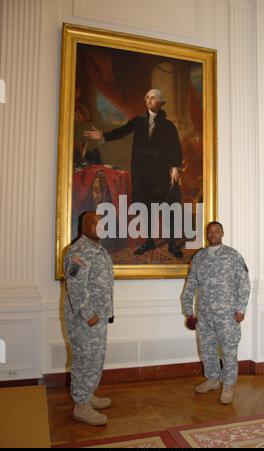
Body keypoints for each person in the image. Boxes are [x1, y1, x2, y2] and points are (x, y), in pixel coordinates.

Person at [83, 88, 183, 258]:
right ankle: (149, 241)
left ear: (161, 102)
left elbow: (176, 148)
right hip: (143, 175)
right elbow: (121, 132)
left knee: (168, 208)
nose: (149, 100)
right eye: (147, 98)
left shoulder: (168, 126)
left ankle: (172, 243)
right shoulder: (138, 121)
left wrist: (175, 167)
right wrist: (102, 136)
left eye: (153, 98)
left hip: (162, 174)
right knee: (146, 209)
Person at [181, 221, 250, 405]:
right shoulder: (199, 257)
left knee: (228, 350)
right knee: (207, 349)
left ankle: (228, 385)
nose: (213, 234)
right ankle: (212, 379)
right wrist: (188, 311)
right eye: (210, 231)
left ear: (222, 233)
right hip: (204, 315)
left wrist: (241, 309)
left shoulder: (232, 256)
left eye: (216, 231)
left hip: (227, 315)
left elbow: (244, 283)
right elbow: (190, 285)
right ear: (206, 234)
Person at [64, 211, 114, 425]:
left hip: (99, 317)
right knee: (85, 360)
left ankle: (88, 394)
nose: (97, 226)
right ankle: (81, 406)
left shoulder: (99, 250)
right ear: (82, 227)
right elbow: (74, 285)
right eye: (92, 223)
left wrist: (106, 312)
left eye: (100, 223)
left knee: (95, 359)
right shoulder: (78, 251)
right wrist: (88, 314)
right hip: (85, 320)